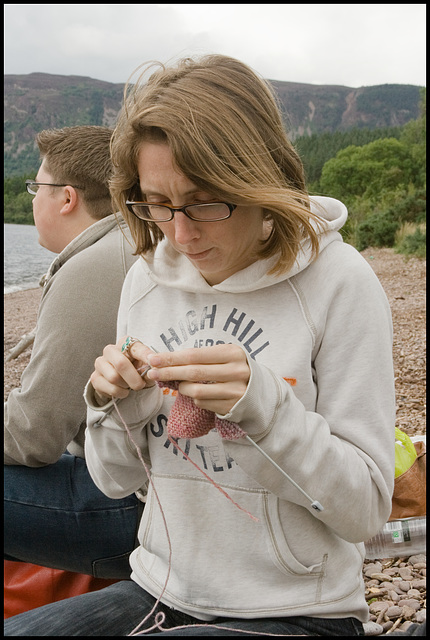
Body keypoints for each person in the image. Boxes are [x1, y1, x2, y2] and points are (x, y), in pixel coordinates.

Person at [5, 55, 398, 636]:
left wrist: (265, 406)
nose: (180, 234)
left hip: (298, 613)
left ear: (259, 181)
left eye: (206, 201)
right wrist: (117, 407)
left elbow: (365, 509)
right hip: (157, 587)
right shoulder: (145, 278)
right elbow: (115, 482)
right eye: (157, 203)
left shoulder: (341, 282)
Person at [4, 126, 140, 579]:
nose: (31, 199)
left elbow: (32, 438)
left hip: (129, 514)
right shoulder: (125, 244)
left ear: (66, 198)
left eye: (35, 187)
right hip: (144, 493)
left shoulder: (93, 267)